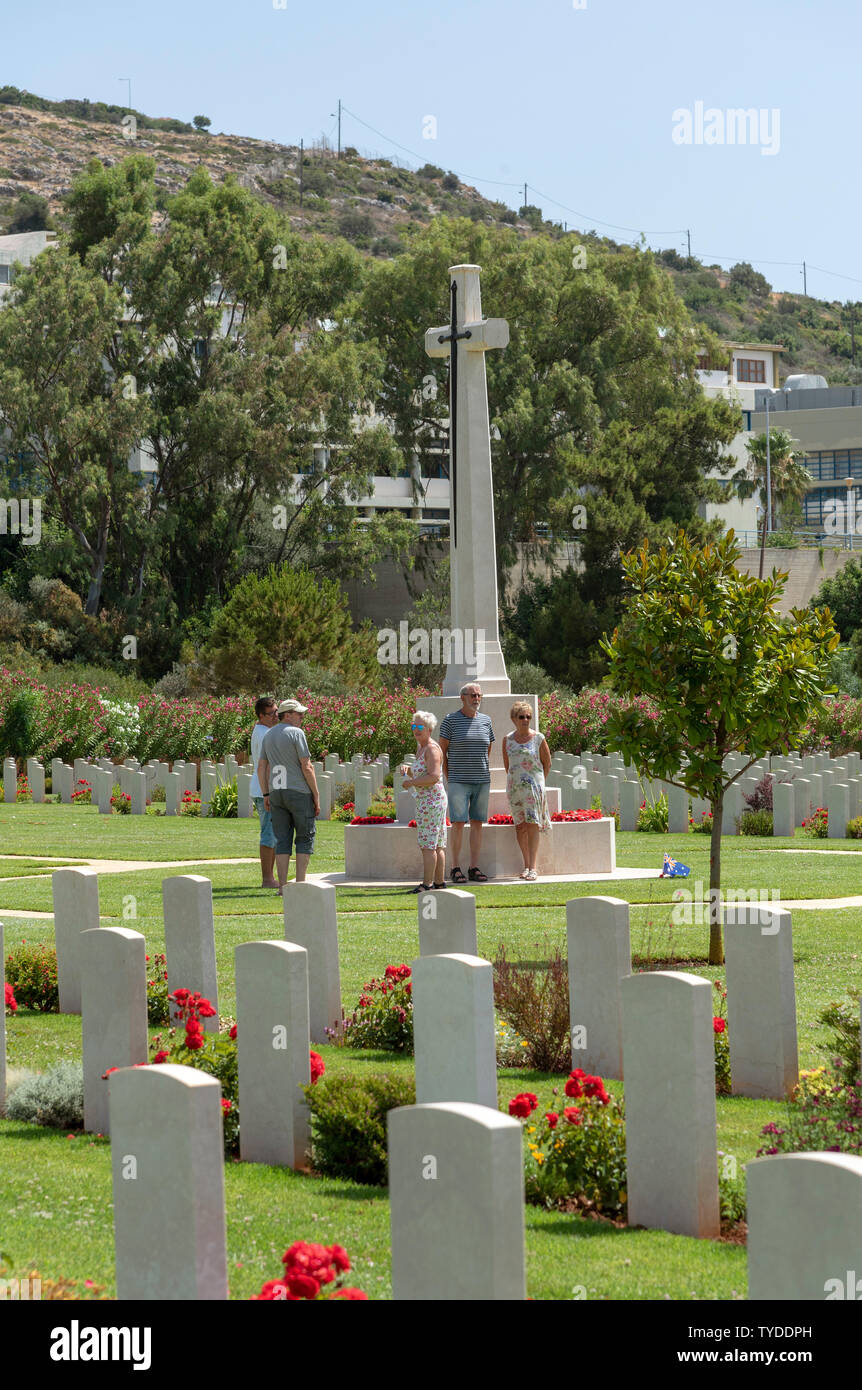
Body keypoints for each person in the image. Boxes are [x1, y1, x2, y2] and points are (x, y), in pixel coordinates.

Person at [258, 698, 320, 892]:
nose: (302, 717)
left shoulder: (268, 735)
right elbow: (307, 766)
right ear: (288, 714)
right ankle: (300, 885)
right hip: (298, 791)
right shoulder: (296, 733)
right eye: (298, 713)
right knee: (304, 836)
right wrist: (316, 795)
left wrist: (266, 793)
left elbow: (262, 767)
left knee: (282, 839)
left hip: (276, 792)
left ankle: (283, 885)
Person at [438, 682, 494, 883]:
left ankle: (473, 867)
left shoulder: (486, 721)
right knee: (458, 823)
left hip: (481, 780)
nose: (476, 699)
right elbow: (442, 751)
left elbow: (487, 749)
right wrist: (449, 776)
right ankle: (455, 868)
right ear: (463, 698)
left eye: (479, 695)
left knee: (477, 823)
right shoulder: (450, 721)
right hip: (458, 781)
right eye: (472, 695)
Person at [502, 701, 551, 880]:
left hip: (533, 788)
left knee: (532, 825)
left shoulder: (538, 738)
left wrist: (538, 783)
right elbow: (508, 766)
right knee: (520, 827)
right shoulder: (507, 740)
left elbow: (547, 763)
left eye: (528, 717)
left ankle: (533, 867)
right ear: (514, 718)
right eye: (521, 717)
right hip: (515, 788)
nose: (525, 720)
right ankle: (525, 864)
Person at [400, 710, 448, 893]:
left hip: (432, 801)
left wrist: (411, 782)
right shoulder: (421, 747)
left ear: (429, 729)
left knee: (429, 845)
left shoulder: (432, 748)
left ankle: (427, 884)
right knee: (435, 843)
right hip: (426, 800)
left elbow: (434, 776)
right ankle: (439, 883)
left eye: (420, 727)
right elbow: (423, 773)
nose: (416, 730)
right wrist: (409, 771)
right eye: (414, 726)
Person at [249, 695, 279, 888]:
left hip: (265, 787)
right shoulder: (264, 733)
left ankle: (271, 877)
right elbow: (265, 765)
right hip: (264, 789)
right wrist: (270, 792)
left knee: (274, 834)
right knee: (268, 834)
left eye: (276, 712)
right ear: (261, 715)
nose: (275, 716)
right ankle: (267, 878)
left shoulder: (264, 730)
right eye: (271, 714)